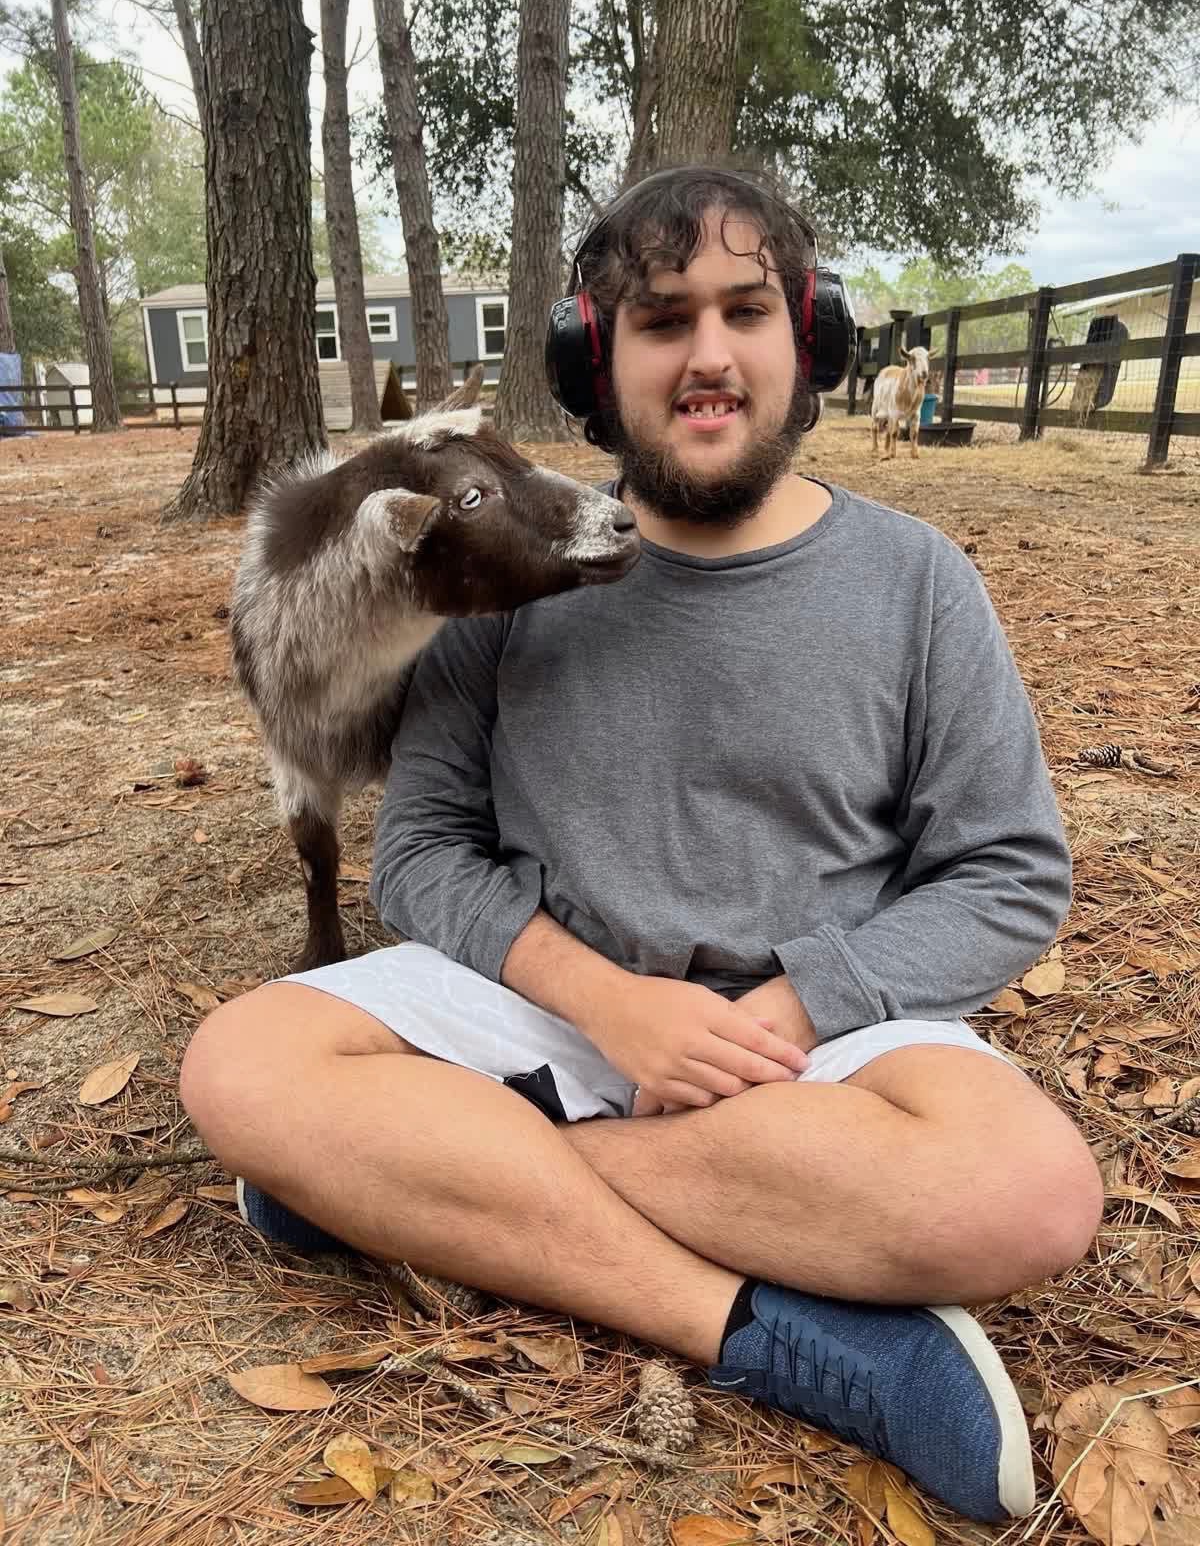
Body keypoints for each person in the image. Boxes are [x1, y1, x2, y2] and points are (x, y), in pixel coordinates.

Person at [180, 166, 1102, 1525]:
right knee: (241, 1062)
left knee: (1030, 1195)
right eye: (664, 321)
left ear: (812, 339)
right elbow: (422, 854)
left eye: (745, 312)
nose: (710, 356)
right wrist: (612, 1006)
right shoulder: (503, 571)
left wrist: (789, 1007)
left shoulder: (918, 583)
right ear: (594, 362)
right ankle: (772, 1332)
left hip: (815, 1041)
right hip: (550, 1006)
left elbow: (1012, 871)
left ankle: (408, 1187)